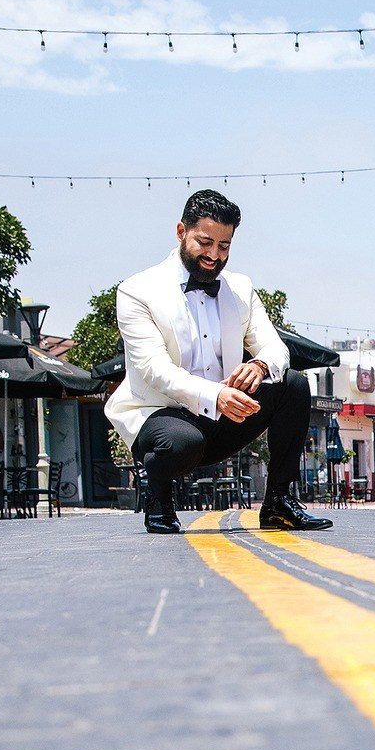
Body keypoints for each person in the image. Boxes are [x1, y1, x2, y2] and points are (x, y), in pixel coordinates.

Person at [105, 189, 330, 535]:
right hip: (161, 415)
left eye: (224, 246)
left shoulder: (240, 288)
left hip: (223, 417)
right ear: (181, 231)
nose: (214, 255)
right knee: (182, 442)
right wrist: (215, 395)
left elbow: (274, 347)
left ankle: (278, 502)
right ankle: (158, 498)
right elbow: (154, 369)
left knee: (293, 385)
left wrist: (259, 366)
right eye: (205, 242)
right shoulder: (137, 291)